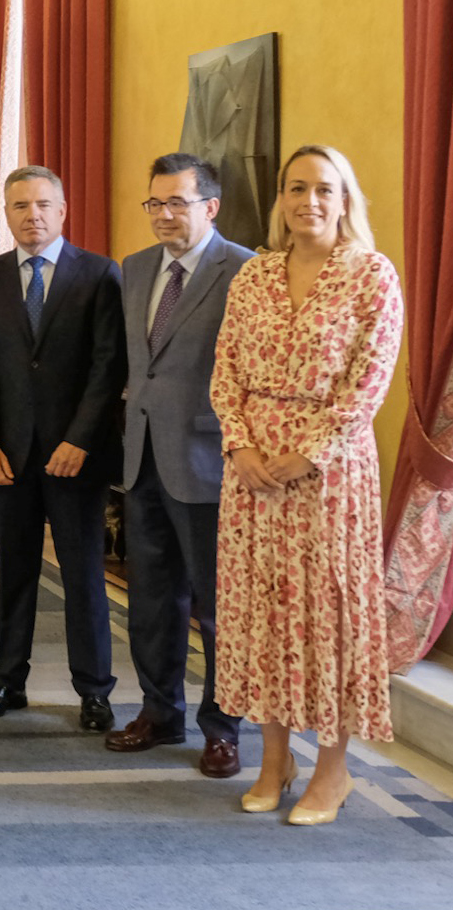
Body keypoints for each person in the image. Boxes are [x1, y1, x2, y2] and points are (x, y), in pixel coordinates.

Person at [212, 144, 403, 825]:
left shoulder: (372, 275)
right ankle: (273, 759)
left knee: (328, 621)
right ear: (280, 200)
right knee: (261, 617)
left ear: (345, 199)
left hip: (330, 480)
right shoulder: (253, 276)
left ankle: (332, 766)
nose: (308, 201)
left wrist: (312, 450)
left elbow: (371, 379)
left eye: (324, 188)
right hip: (253, 477)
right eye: (296, 188)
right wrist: (240, 443)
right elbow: (224, 367)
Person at [0, 164, 125, 731]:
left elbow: (108, 368)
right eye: (20, 207)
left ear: (63, 210)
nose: (32, 216)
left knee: (82, 576)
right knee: (15, 575)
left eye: (43, 205)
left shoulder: (101, 274)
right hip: (7, 458)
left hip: (77, 457)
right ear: (6, 214)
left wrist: (79, 439)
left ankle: (95, 691)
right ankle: (7, 681)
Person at [107, 154, 253, 776]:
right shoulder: (135, 269)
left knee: (218, 607)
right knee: (152, 600)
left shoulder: (245, 271)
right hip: (140, 461)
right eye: (154, 204)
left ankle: (222, 729)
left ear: (210, 207)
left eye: (178, 203)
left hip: (207, 461)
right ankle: (159, 713)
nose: (164, 216)